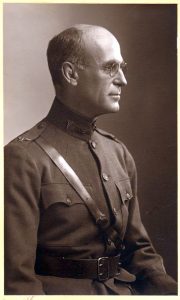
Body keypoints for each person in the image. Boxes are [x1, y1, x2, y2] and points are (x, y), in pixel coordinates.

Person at [4, 24, 177, 295]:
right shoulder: (22, 158)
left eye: (122, 67)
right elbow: (16, 280)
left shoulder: (118, 153)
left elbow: (141, 254)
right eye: (110, 68)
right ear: (71, 74)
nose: (122, 79)